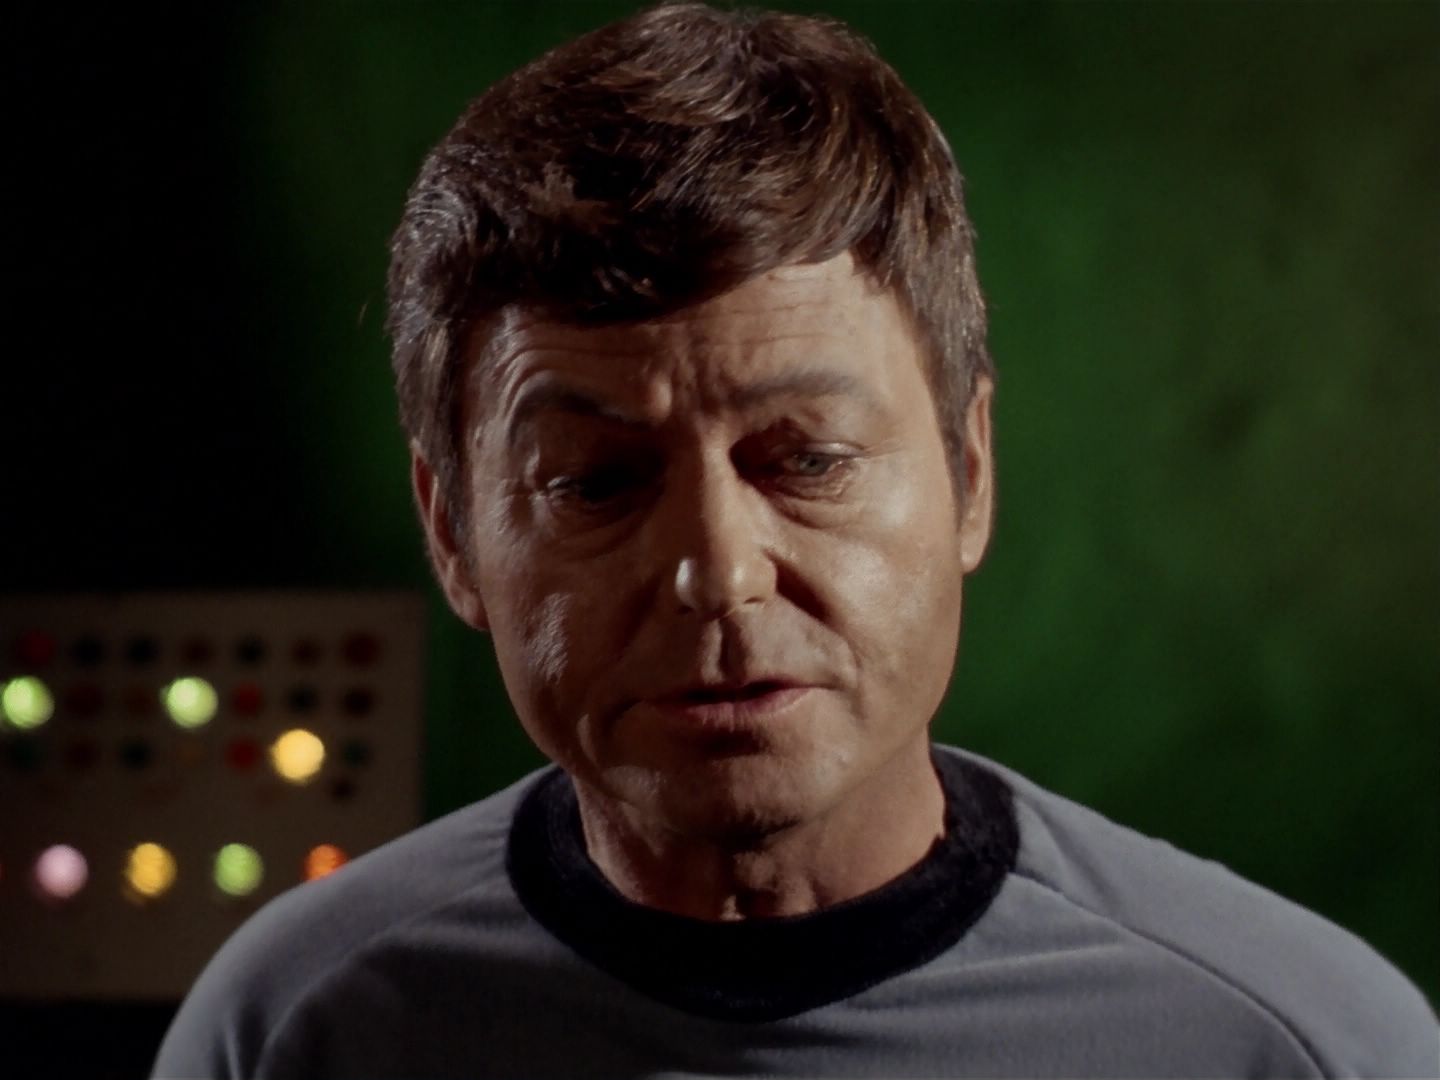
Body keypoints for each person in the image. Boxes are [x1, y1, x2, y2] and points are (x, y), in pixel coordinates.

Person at [154, 4, 1437, 1076]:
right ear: (452, 534)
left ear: (969, 472)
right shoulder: (288, 1034)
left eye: (808, 459)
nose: (718, 572)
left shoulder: (1303, 1047)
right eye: (596, 480)